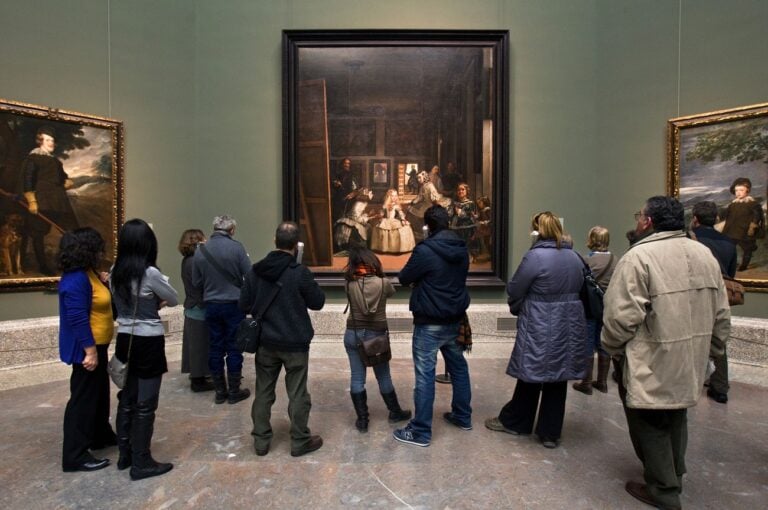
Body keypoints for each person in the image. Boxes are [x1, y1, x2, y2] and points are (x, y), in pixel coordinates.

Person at [602, 196, 730, 509]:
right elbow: (721, 313)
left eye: (639, 216)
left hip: (650, 355)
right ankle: (675, 473)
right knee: (676, 415)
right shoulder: (704, 254)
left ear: (648, 221)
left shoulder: (639, 257)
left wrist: (613, 349)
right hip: (690, 354)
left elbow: (621, 316)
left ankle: (663, 489)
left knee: (648, 419)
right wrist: (712, 350)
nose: (637, 220)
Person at [485, 212, 586, 449]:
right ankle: (550, 432)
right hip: (569, 321)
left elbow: (515, 288)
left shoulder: (536, 257)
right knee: (558, 376)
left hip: (540, 320)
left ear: (538, 230)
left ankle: (516, 421)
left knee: (532, 370)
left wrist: (520, 306)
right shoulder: (574, 257)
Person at [239, 222, 326, 457]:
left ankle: (260, 441)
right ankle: (299, 441)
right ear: (297, 245)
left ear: (274, 241)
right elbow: (318, 302)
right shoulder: (299, 273)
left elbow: (243, 304)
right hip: (295, 342)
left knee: (264, 393)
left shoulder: (255, 271)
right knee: (298, 394)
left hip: (266, 342)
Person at [393, 205, 471, 447]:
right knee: (458, 368)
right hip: (455, 318)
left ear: (428, 226)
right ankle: (462, 416)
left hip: (429, 321)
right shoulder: (462, 249)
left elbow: (404, 277)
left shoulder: (425, 250)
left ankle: (421, 431)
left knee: (425, 375)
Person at [110, 219, 178, 480]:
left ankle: (125, 454)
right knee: (146, 403)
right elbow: (172, 297)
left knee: (127, 398)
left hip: (125, 338)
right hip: (147, 340)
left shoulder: (115, 270)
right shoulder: (150, 274)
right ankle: (142, 461)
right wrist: (155, 300)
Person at [58, 227, 114, 472]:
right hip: (86, 348)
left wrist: (104, 283)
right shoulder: (75, 279)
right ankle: (75, 454)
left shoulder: (88, 273)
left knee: (98, 394)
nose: (101, 252)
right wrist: (89, 351)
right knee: (83, 399)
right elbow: (78, 317)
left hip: (97, 345)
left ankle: (99, 435)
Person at [342, 247, 411, 432]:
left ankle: (363, 421)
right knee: (383, 376)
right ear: (373, 261)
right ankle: (395, 412)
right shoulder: (383, 283)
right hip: (376, 336)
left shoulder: (349, 284)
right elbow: (391, 293)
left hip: (353, 333)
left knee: (357, 378)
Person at [192, 215, 252, 405]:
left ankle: (220, 391)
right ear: (231, 230)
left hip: (211, 305)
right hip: (234, 305)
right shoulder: (237, 248)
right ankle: (234, 391)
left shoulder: (200, 250)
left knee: (215, 347)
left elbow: (196, 282)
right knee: (235, 347)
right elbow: (249, 276)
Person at [690, 201, 737, 404]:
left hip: (697, 291)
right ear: (716, 218)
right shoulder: (729, 242)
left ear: (695, 219)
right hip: (721, 292)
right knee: (718, 338)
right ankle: (720, 387)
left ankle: (692, 379)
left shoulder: (693, 240)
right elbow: (732, 272)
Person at [21, 126, 79, 275]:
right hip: (42, 200)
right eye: (47, 140)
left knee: (71, 230)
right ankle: (43, 266)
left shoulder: (56, 161)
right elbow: (27, 181)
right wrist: (32, 201)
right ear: (40, 142)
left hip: (59, 201)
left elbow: (62, 178)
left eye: (52, 140)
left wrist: (66, 182)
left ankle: (69, 263)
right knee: (38, 233)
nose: (51, 143)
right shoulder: (32, 158)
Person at [572, 226, 617, 395]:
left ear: (592, 239)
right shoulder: (616, 260)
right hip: (607, 307)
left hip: (589, 307)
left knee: (587, 343)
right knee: (603, 343)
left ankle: (586, 382)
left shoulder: (586, 260)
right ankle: (603, 382)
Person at [178, 229, 214, 393]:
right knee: (199, 346)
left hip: (192, 307)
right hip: (199, 308)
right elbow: (200, 285)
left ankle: (198, 375)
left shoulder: (187, 260)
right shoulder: (195, 261)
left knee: (195, 346)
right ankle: (198, 380)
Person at [722, 177, 764, 271]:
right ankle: (731, 263)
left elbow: (757, 216)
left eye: (741, 190)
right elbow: (728, 218)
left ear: (747, 190)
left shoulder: (752, 203)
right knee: (729, 247)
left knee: (747, 249)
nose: (738, 192)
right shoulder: (733, 204)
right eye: (736, 190)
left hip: (746, 231)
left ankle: (744, 265)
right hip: (732, 231)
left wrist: (752, 227)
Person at [370, 189, 415, 254]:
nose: (394, 197)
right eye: (392, 196)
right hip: (387, 220)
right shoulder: (385, 205)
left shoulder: (396, 205)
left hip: (394, 220)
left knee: (405, 228)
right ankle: (386, 248)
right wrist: (380, 216)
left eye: (395, 196)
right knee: (380, 228)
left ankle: (396, 248)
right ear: (389, 197)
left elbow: (401, 213)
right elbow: (382, 213)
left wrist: (403, 219)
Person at [334, 187, 373, 251]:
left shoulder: (361, 202)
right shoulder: (360, 203)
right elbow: (355, 217)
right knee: (368, 227)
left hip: (353, 218)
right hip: (353, 220)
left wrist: (368, 215)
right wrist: (368, 218)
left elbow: (358, 214)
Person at [450, 183, 479, 259]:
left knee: (466, 242)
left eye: (463, 189)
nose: (460, 191)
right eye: (459, 190)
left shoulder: (470, 203)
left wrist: (460, 212)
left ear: (466, 191)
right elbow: (451, 214)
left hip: (467, 226)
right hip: (456, 226)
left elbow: (471, 215)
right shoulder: (455, 203)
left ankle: (468, 256)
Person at [331, 157, 359, 223]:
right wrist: (336, 184)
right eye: (345, 163)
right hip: (339, 199)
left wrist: (352, 194)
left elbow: (356, 189)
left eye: (348, 163)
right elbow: (333, 185)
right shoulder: (338, 174)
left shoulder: (352, 175)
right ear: (342, 164)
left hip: (349, 200)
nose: (346, 165)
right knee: (338, 218)